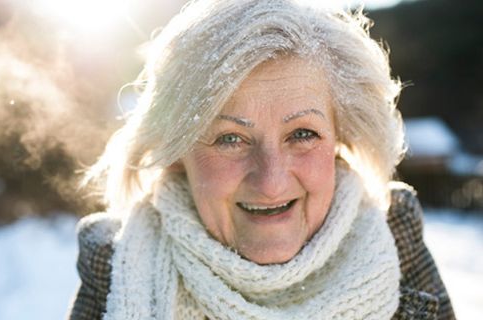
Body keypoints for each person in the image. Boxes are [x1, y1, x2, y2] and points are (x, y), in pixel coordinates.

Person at [68, 0, 454, 319]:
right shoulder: (114, 259)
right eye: (230, 139)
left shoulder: (395, 234)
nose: (271, 182)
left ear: (339, 139)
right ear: (176, 153)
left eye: (303, 134)